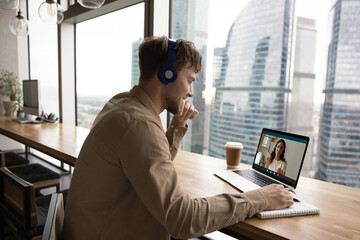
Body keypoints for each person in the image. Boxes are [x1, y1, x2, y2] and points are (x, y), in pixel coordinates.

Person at [62, 36, 293, 240]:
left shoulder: (121, 104)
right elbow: (182, 218)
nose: (191, 92)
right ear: (167, 74)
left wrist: (177, 125)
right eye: (190, 80)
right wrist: (259, 198)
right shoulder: (139, 124)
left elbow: (146, 162)